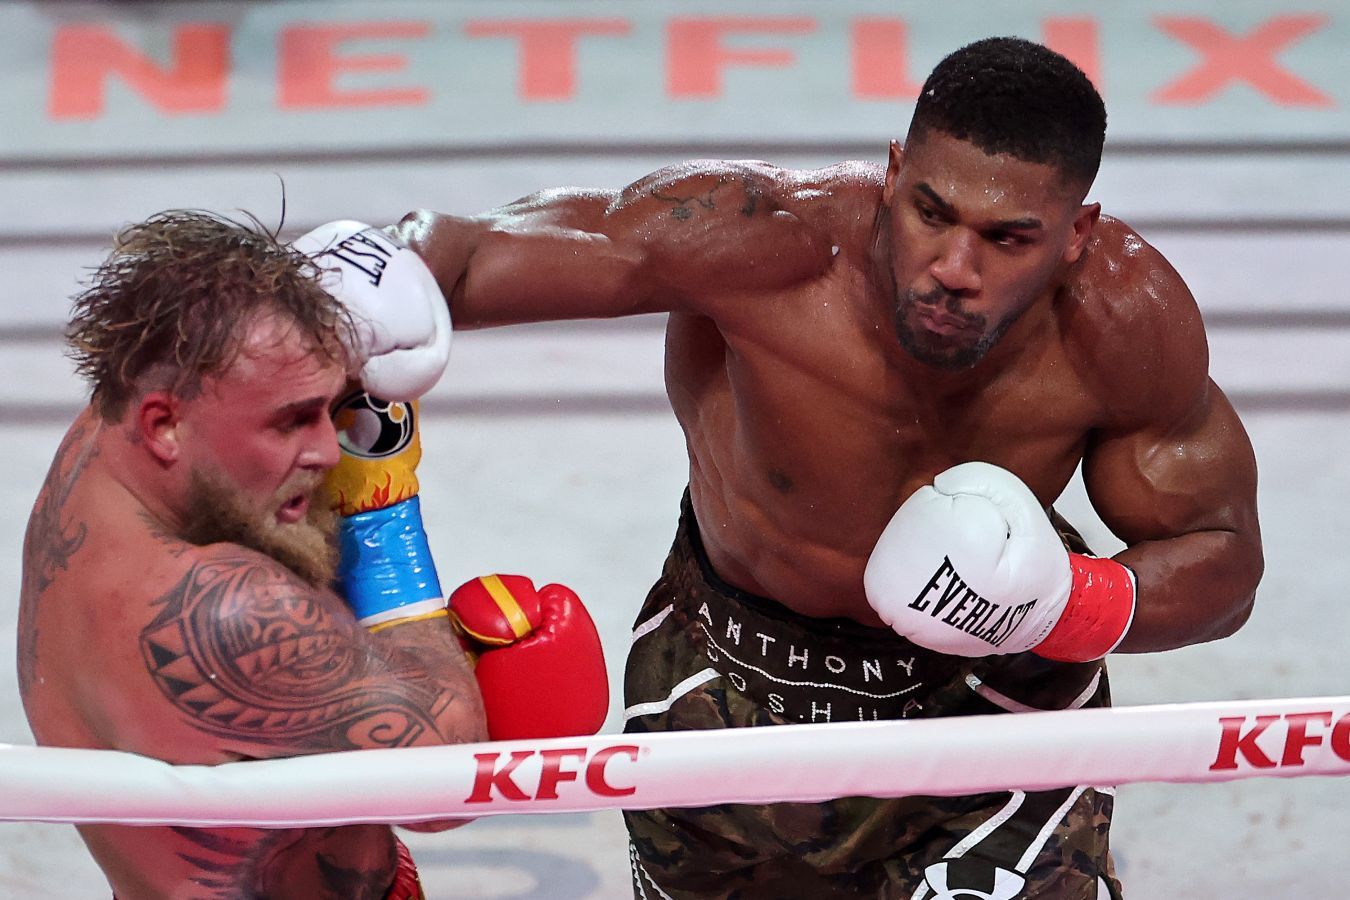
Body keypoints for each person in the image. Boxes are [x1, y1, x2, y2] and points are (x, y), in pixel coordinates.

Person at [372, 35, 1265, 899]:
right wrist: (366, 276)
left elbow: (1222, 561)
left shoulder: (1123, 321)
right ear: (893, 175)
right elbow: (470, 255)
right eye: (931, 213)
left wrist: (1067, 605)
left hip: (991, 700)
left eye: (1008, 239)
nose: (953, 268)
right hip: (728, 677)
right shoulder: (763, 243)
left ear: (1077, 234)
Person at [18, 211, 608, 898]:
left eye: (330, 410)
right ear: (165, 425)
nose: (331, 450)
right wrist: (384, 523)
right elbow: (442, 781)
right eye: (293, 420)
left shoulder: (111, 434)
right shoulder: (235, 611)